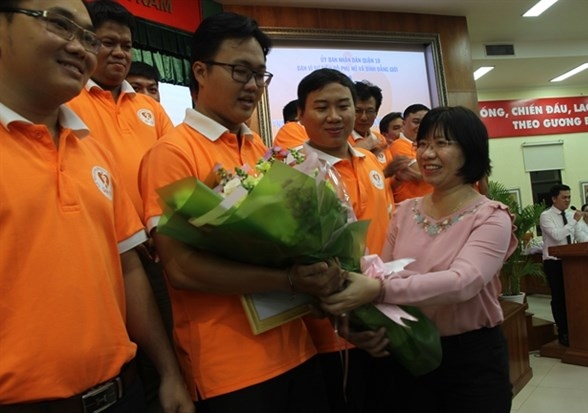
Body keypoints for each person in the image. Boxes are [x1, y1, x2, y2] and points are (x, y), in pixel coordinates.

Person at [138, 12, 343, 413]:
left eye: (260, 75)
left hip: (296, 347)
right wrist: (288, 279)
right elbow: (180, 270)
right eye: (239, 71)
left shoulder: (259, 149)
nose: (252, 86)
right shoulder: (171, 154)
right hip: (229, 367)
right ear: (200, 70)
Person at [0, 1, 193, 412]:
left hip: (121, 394)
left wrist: (169, 373)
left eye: (87, 36)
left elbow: (127, 267)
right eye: (59, 24)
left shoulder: (92, 151)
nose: (79, 47)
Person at [322, 106, 518, 412]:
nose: (427, 154)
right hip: (408, 349)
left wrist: (379, 290)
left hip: (471, 359)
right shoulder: (405, 211)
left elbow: (462, 283)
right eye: (423, 144)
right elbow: (381, 273)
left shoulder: (491, 216)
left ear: (470, 151)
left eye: (442, 144)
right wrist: (354, 324)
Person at [66, 1, 175, 411]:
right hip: (103, 252)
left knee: (164, 344)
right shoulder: (69, 100)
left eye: (126, 45)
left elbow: (170, 174)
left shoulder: (151, 109)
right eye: (107, 42)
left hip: (156, 247)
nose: (119, 53)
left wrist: (157, 226)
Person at [297, 68, 394, 412]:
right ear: (300, 114)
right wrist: (348, 326)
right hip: (333, 337)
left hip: (389, 317)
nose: (335, 117)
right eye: (322, 107)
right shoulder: (293, 171)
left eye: (344, 106)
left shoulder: (369, 160)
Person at [539, 184, 583, 347]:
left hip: (571, 261)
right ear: (554, 199)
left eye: (569, 197)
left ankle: (576, 329)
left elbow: (580, 235)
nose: (568, 200)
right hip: (554, 262)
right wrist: (573, 222)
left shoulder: (571, 215)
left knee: (574, 297)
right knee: (559, 298)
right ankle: (563, 332)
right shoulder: (546, 216)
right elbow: (557, 236)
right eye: (564, 197)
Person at [385, 103, 433, 202]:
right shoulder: (399, 144)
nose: (421, 126)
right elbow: (420, 171)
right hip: (410, 206)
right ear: (403, 124)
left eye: (425, 122)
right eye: (416, 122)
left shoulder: (429, 145)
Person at [348, 80, 392, 167]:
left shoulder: (380, 139)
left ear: (376, 113)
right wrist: (357, 151)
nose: (363, 117)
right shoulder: (340, 140)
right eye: (358, 111)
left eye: (369, 111)